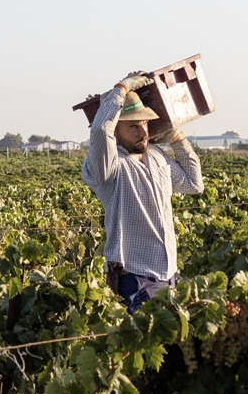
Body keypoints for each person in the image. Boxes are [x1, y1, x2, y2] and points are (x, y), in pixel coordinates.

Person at [82, 75, 204, 310]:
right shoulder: (108, 166)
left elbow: (193, 184)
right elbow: (99, 130)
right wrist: (121, 88)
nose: (143, 132)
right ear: (115, 132)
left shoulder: (157, 156)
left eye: (145, 124)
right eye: (133, 127)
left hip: (168, 274)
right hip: (134, 278)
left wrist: (177, 138)